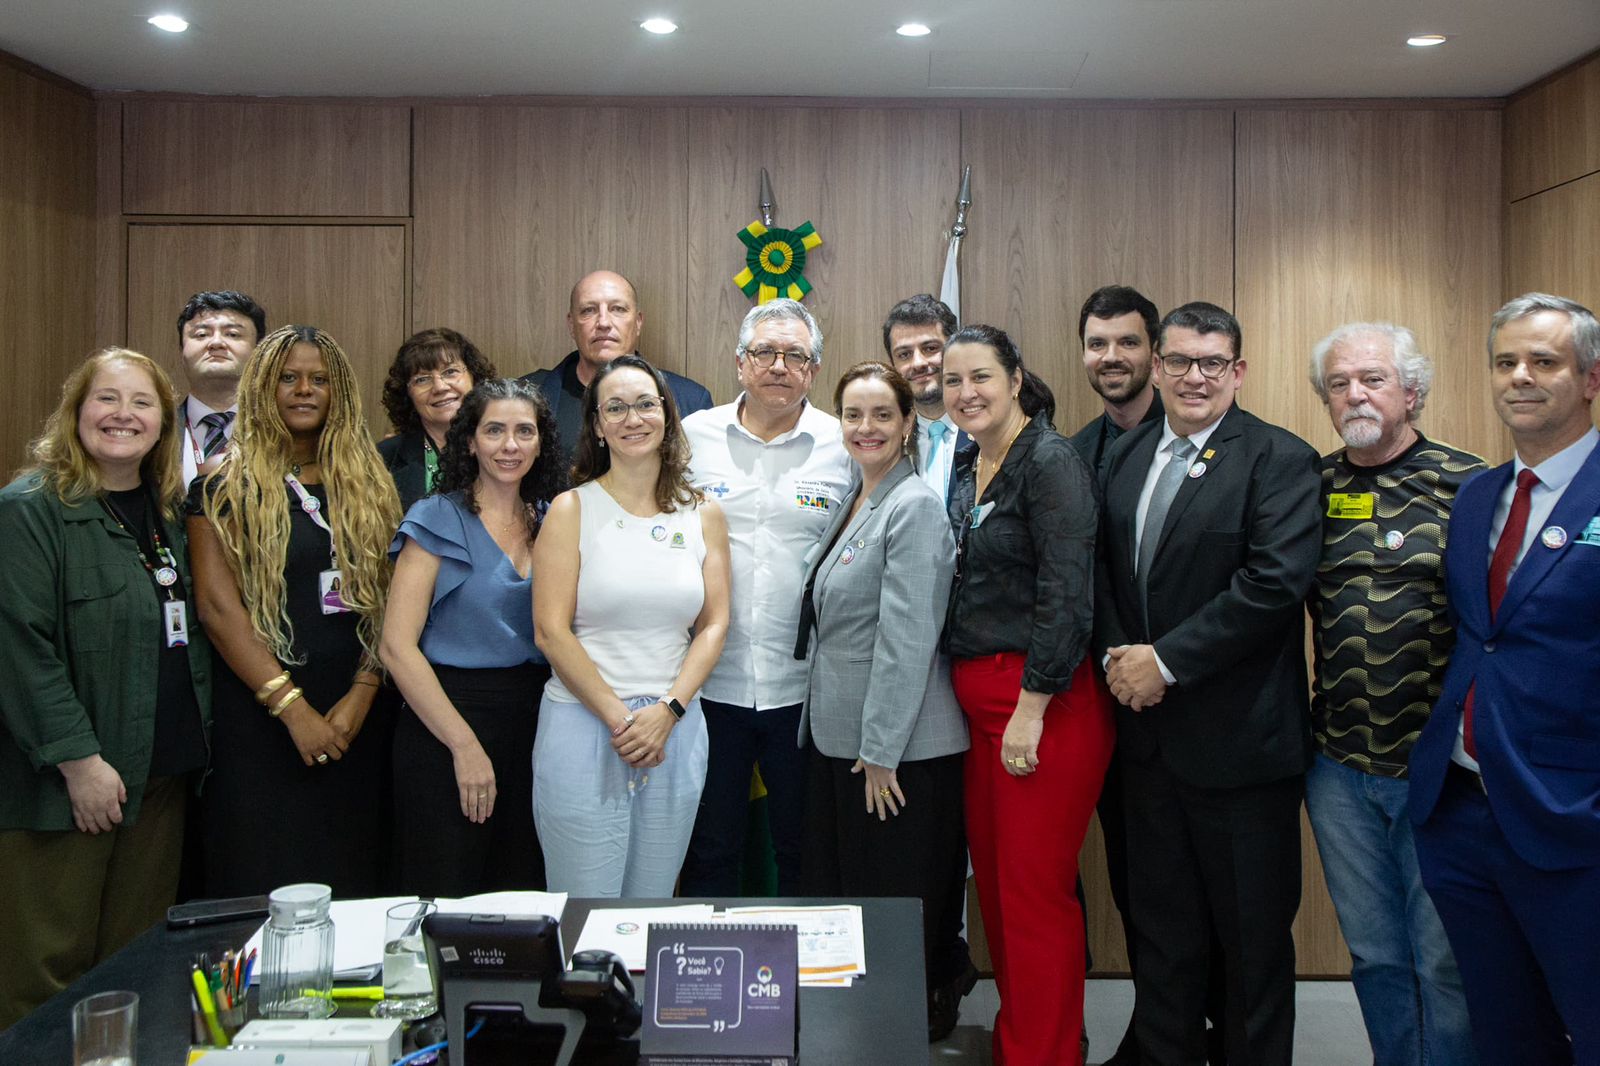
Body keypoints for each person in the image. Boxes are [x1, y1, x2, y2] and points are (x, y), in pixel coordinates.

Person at [1095, 302, 1321, 1066]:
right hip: (1148, 747)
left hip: (1241, 753)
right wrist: (1118, 662)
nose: (1195, 377)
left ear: (1239, 372)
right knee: (1161, 934)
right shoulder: (1125, 458)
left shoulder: (1276, 459)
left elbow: (1273, 584)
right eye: (1181, 361)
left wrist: (1163, 662)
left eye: (1212, 364)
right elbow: (1106, 582)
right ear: (1156, 367)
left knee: (1252, 946)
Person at [1410, 293, 1600, 1066]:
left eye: (1544, 361)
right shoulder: (1478, 495)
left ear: (1590, 379)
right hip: (1461, 813)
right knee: (1502, 1028)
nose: (1520, 377)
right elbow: (1478, 641)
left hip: (1573, 820)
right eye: (1505, 361)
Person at [0, 349, 212, 1028]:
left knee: (133, 969)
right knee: (47, 977)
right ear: (76, 412)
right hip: (64, 791)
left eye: (142, 403)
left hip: (157, 781)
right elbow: (18, 646)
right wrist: (78, 760)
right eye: (107, 400)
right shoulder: (30, 509)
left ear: (162, 423)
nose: (123, 416)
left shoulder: (170, 515)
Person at [1304, 322, 1483, 1066]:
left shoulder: (1471, 485)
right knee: (1376, 955)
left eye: (1373, 379)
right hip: (1339, 764)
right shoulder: (1310, 486)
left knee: (1445, 963)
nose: (1355, 394)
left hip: (1438, 769)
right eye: (1340, 382)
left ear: (1411, 391)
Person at [941, 324, 1115, 1064]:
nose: (965, 393)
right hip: (977, 708)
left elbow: (1066, 595)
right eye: (952, 382)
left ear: (1016, 379)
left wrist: (1033, 708)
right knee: (1002, 903)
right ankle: (1025, 1041)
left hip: (1040, 706)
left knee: (1036, 899)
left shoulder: (1050, 461)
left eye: (981, 377)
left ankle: (1044, 1054)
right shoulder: (965, 459)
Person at [189, 324, 402, 898]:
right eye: (288, 377)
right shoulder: (221, 485)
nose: (303, 389)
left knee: (355, 881)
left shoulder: (370, 485)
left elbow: (388, 599)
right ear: (262, 387)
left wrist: (362, 693)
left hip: (358, 715)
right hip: (262, 720)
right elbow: (215, 608)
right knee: (263, 882)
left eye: (319, 379)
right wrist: (291, 709)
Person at [796, 362, 970, 1043]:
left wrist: (879, 752)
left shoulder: (915, 506)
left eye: (881, 416)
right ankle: (862, 1029)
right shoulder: (858, 496)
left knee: (896, 907)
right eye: (853, 415)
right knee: (851, 905)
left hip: (896, 754)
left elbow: (907, 639)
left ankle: (898, 1026)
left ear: (907, 426)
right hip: (842, 737)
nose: (865, 428)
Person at [532, 354, 730, 897]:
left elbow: (714, 624)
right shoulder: (571, 509)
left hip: (675, 729)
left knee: (652, 904)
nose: (632, 417)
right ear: (596, 425)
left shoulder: (703, 513)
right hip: (586, 724)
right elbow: (551, 631)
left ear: (667, 414)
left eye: (645, 404)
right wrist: (623, 720)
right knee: (583, 907)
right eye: (614, 407)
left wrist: (667, 712)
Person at [678, 299, 853, 896]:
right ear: (739, 362)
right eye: (764, 353)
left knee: (805, 850)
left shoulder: (844, 444)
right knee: (710, 848)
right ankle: (707, 981)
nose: (778, 365)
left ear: (813, 369)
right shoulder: (690, 438)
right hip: (710, 685)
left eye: (794, 355)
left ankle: (809, 986)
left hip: (804, 691)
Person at [380, 379, 565, 897]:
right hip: (448, 721)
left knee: (523, 887)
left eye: (524, 431)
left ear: (541, 442)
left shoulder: (554, 518)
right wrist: (464, 746)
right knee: (447, 890)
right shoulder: (437, 516)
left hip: (535, 721)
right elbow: (396, 646)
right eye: (495, 431)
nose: (510, 445)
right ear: (469, 442)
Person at [521, 270, 712, 464]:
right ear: (571, 325)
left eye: (618, 309)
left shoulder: (690, 401)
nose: (603, 322)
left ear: (638, 322)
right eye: (589, 310)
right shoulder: (527, 396)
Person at [378, 328, 500, 511]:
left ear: (474, 377)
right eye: (422, 380)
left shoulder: (506, 447)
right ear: (407, 393)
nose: (439, 387)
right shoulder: (383, 460)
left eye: (450, 372)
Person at [1068, 285, 1164, 478]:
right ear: (1084, 355)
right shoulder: (1075, 454)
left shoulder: (1190, 435)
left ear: (1154, 354)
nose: (1111, 357)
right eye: (1098, 344)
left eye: (1128, 343)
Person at [881, 293, 968, 505]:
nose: (918, 363)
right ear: (893, 366)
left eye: (930, 348)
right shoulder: (887, 443)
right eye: (904, 354)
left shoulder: (987, 432)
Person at [175, 290, 267, 487]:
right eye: (201, 334)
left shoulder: (282, 433)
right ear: (181, 351)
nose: (216, 343)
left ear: (259, 351)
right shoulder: (156, 433)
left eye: (232, 334)